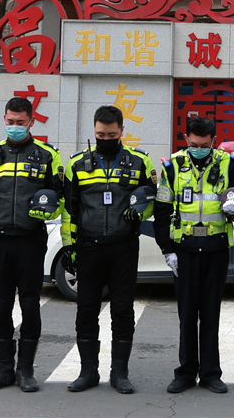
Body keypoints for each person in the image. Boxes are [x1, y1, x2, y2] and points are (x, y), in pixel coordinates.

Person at [0, 97, 64, 393]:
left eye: (20, 123)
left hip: (30, 242)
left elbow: (62, 200)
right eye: (10, 122)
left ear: (31, 121)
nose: (15, 127)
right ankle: (3, 370)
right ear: (4, 119)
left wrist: (49, 212)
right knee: (0, 307)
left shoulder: (48, 156)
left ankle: (26, 371)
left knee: (30, 305)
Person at [62, 105, 157, 394]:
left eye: (111, 135)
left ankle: (120, 373)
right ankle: (88, 371)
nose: (105, 139)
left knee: (123, 311)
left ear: (121, 131)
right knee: (86, 311)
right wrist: (69, 247)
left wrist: (141, 212)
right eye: (100, 135)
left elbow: (153, 200)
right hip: (89, 247)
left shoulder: (140, 161)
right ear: (94, 130)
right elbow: (69, 210)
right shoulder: (77, 164)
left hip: (123, 247)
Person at [153, 116, 234, 395]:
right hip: (185, 250)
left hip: (216, 248)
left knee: (211, 313)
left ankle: (210, 374)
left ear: (213, 141)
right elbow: (161, 210)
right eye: (194, 144)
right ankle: (185, 373)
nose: (199, 149)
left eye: (204, 145)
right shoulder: (173, 166)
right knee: (187, 314)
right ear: (186, 139)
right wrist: (167, 249)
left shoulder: (227, 163)